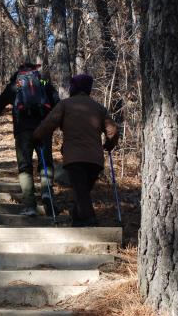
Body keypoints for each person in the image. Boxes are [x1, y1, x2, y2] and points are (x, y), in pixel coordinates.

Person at [33, 73, 118, 227]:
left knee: (81, 191)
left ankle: (90, 222)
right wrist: (108, 145)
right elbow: (113, 131)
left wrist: (36, 136)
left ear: (74, 87)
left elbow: (49, 123)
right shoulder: (99, 108)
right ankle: (77, 219)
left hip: (74, 158)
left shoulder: (65, 105)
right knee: (83, 191)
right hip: (95, 160)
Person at [0, 59, 58, 217]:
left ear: (20, 70)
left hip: (23, 130)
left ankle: (30, 205)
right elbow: (57, 103)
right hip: (43, 128)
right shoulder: (43, 82)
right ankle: (47, 193)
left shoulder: (15, 85)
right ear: (34, 70)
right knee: (46, 164)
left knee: (25, 167)